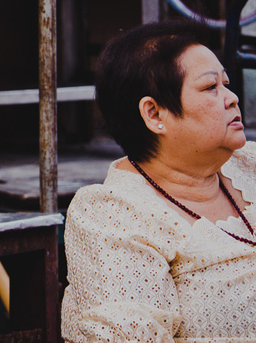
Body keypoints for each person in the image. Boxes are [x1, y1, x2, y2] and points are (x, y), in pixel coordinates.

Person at [62, 20, 256, 341]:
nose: (232, 98)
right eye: (211, 88)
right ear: (154, 114)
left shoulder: (249, 163)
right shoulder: (113, 216)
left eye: (226, 83)